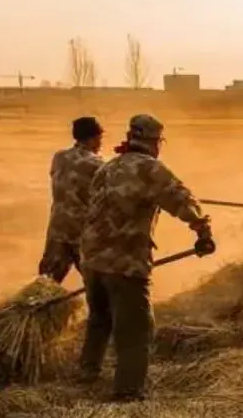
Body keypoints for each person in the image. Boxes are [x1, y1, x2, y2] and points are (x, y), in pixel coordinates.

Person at [78, 114, 215, 402]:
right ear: (155, 141)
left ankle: (87, 371)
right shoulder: (150, 169)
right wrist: (202, 229)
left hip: (91, 259)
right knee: (136, 328)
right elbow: (182, 201)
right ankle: (128, 391)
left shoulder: (107, 167)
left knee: (100, 318)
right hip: (124, 262)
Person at [39, 116, 105, 283]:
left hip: (58, 227)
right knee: (98, 283)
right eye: (99, 138)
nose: (100, 143)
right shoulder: (96, 164)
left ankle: (31, 307)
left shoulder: (59, 157)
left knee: (47, 281)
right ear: (93, 138)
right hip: (82, 231)